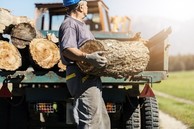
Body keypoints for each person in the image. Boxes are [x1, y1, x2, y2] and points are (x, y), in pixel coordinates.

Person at [59, 0, 111, 129]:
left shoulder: (80, 24)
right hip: (80, 77)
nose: (87, 7)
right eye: (86, 5)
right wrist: (88, 57)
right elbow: (67, 49)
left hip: (89, 77)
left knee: (101, 120)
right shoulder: (69, 24)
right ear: (81, 7)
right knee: (90, 121)